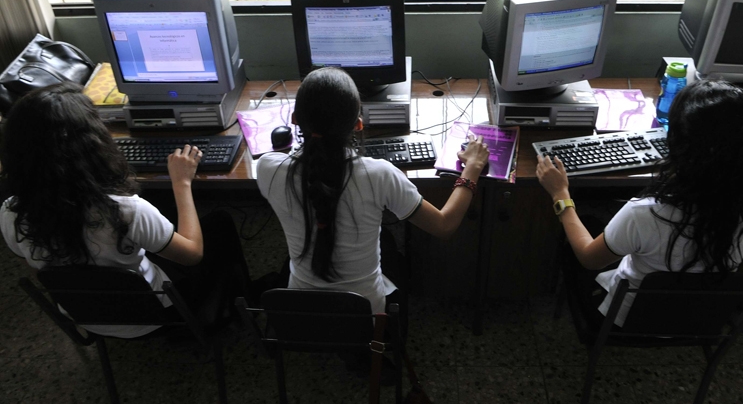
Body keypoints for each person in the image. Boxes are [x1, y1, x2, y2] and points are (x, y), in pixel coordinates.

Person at [0, 82, 253, 338]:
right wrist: (182, 182)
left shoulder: (11, 212)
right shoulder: (124, 211)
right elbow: (193, 255)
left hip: (87, 317)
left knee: (150, 230)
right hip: (158, 315)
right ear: (91, 144)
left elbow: (42, 270)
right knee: (219, 222)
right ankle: (241, 303)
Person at [256, 67, 490, 328]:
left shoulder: (268, 169)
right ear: (358, 124)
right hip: (364, 314)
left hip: (302, 312)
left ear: (295, 118)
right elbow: (444, 226)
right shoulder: (379, 174)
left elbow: (287, 158)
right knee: (393, 250)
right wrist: (473, 168)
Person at [536, 80, 743, 329]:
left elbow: (589, 259)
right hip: (700, 319)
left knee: (583, 227)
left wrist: (560, 194)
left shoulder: (645, 212)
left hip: (627, 318)